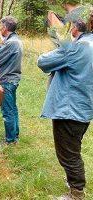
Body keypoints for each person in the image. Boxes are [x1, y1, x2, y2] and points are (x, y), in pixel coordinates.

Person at [37, 19, 93, 200]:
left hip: (69, 109)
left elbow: (43, 61)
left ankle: (76, 193)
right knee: (73, 147)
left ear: (75, 28)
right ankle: (73, 183)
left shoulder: (77, 47)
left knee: (69, 154)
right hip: (84, 107)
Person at [0, 16, 23, 145]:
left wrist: (0, 45)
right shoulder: (16, 40)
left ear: (5, 28)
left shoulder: (10, 43)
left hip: (7, 80)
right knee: (12, 108)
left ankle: (10, 140)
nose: (0, 29)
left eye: (1, 26)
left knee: (7, 111)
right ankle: (14, 135)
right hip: (12, 79)